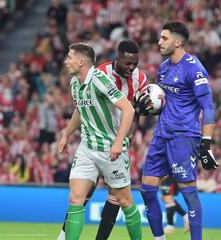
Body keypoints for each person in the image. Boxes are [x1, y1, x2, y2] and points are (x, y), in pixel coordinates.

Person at [57, 40, 150, 240]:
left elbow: (128, 108)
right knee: (75, 198)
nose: (66, 61)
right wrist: (67, 133)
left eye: (69, 57)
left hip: (111, 149)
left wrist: (118, 142)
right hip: (87, 148)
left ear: (81, 62)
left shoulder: (99, 79)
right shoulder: (75, 83)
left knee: (125, 202)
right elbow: (81, 110)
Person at [139, 21, 218, 240]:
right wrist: (147, 105)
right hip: (160, 135)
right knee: (147, 190)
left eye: (164, 38)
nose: (159, 42)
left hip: (184, 137)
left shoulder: (194, 68)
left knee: (188, 193)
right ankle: (159, 238)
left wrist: (206, 142)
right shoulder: (163, 68)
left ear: (178, 41)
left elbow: (208, 106)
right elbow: (164, 101)